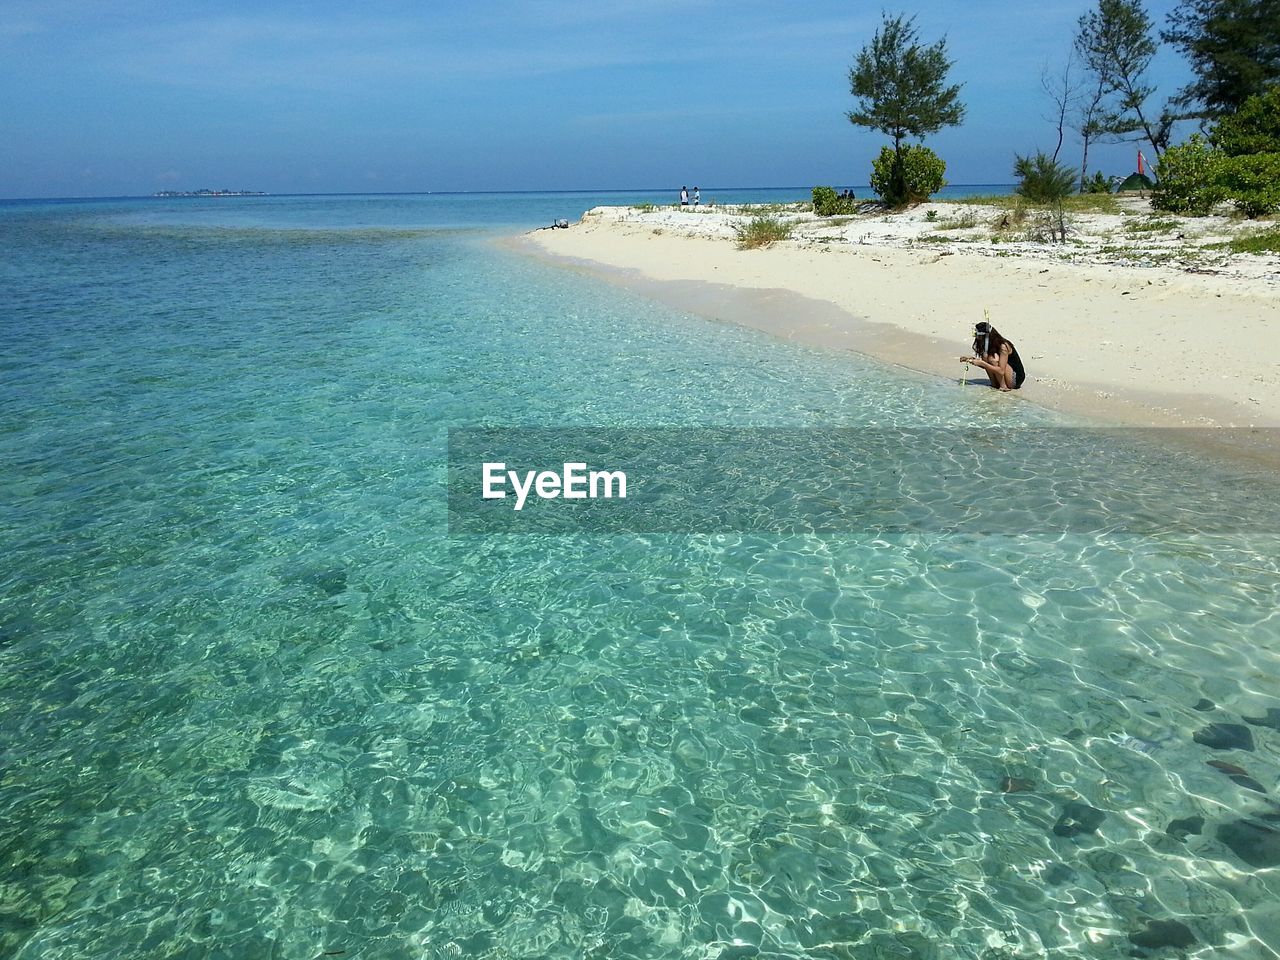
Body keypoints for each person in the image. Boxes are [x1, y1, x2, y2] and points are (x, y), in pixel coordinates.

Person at [960, 320, 1026, 391]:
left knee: (993, 359)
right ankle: (995, 384)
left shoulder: (1003, 346)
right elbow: (987, 365)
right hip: (1005, 373)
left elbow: (1000, 370)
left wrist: (982, 363)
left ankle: (1004, 387)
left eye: (977, 334)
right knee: (986, 357)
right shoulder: (988, 346)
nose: (976, 337)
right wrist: (971, 360)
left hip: (1015, 378)